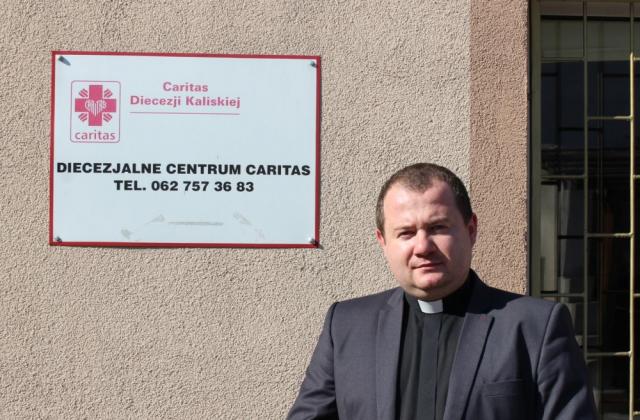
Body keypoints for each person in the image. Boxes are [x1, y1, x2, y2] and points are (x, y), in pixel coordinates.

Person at [288, 163, 596, 420]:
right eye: (406, 233)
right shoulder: (346, 326)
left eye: (437, 228)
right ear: (383, 241)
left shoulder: (535, 327)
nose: (422, 246)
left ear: (471, 230)